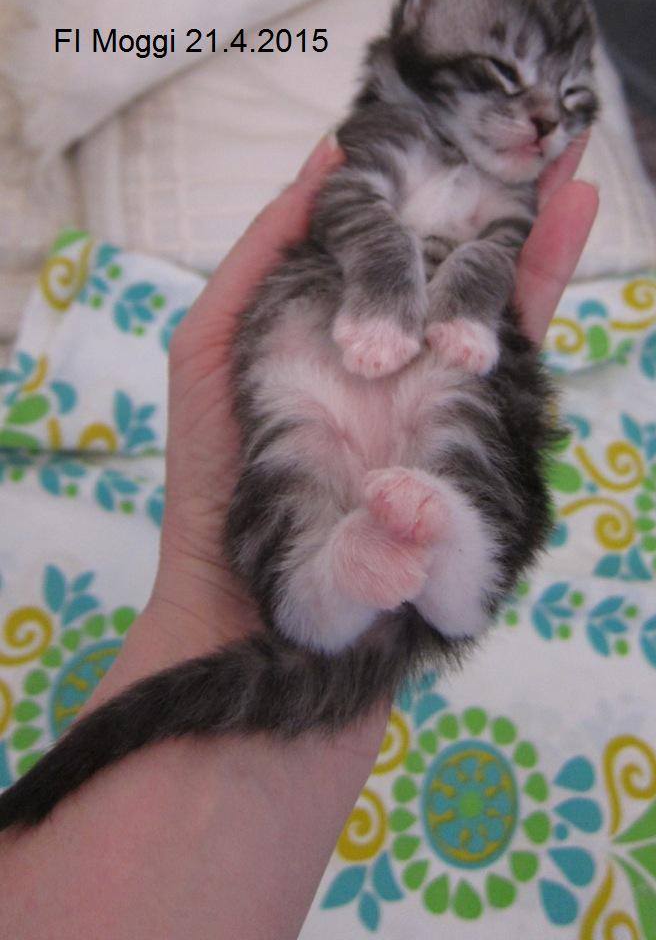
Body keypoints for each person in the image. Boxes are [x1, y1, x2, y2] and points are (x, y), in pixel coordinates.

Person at [0, 134, 598, 939]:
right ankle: (329, 585)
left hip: (427, 410)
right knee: (295, 418)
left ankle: (455, 573)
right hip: (334, 399)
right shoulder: (384, 148)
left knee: (474, 413)